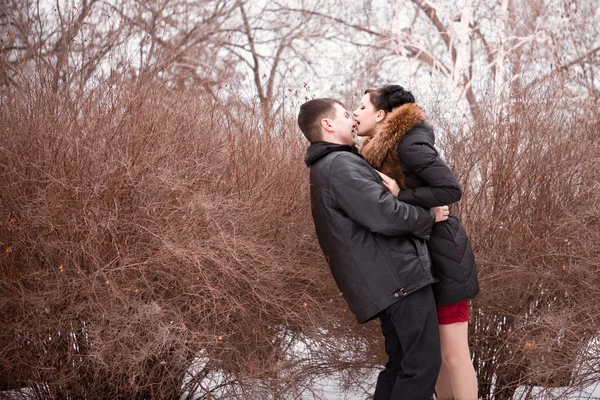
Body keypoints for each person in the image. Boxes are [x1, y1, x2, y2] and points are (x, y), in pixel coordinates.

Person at [298, 97, 450, 400]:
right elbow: (385, 214)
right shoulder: (339, 165)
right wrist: (428, 216)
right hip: (399, 279)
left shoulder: (334, 164)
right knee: (422, 364)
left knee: (402, 365)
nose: (353, 120)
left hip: (389, 281)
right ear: (327, 124)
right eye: (344, 115)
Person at [353, 85, 479, 400]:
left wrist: (402, 196)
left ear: (380, 115)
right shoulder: (378, 150)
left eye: (361, 107)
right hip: (417, 258)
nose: (355, 113)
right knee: (432, 358)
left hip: (443, 254)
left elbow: (450, 188)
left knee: (452, 352)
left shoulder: (409, 144)